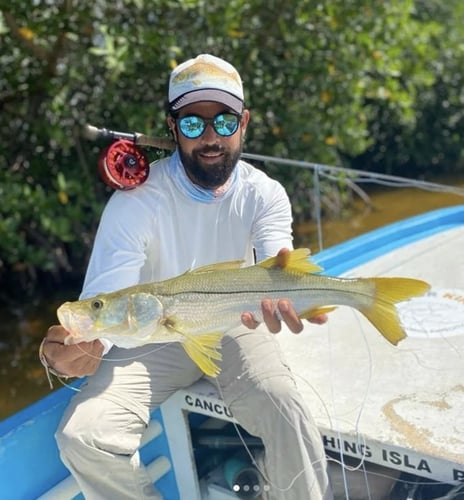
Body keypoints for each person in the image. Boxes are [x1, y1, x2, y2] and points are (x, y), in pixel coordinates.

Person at [41, 54, 333, 500]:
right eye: (193, 124)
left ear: (245, 122)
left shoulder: (265, 193)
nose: (211, 137)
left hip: (237, 322)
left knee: (286, 407)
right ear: (173, 127)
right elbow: (105, 301)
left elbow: (280, 259)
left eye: (225, 121)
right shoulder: (135, 202)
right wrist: (71, 350)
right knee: (83, 436)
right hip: (151, 336)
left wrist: (291, 294)